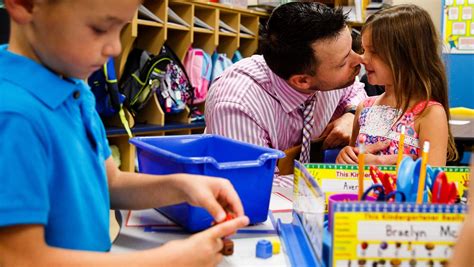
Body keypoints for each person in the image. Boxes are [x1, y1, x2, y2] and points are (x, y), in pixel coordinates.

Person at [0, 0, 249, 266]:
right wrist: (164, 262)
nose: (116, 47)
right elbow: (19, 258)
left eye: (120, 28)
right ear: (25, 5)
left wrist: (182, 186)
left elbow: (111, 182)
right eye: (99, 28)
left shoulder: (74, 88)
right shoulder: (14, 116)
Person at [205, 2, 367, 159]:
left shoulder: (327, 70)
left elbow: (355, 91)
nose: (359, 59)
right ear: (302, 81)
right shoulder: (238, 105)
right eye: (344, 61)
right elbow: (253, 181)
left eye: (351, 48)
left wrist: (352, 115)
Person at [336, 4, 458, 166]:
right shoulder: (363, 108)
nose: (363, 59)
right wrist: (345, 157)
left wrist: (380, 162)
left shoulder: (430, 114)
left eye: (374, 51)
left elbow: (431, 180)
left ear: (408, 56)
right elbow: (351, 165)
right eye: (364, 50)